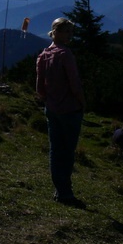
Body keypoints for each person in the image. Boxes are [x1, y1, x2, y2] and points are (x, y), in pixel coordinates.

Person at [36, 18, 85, 208]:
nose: (69, 36)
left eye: (70, 32)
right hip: (70, 109)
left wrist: (49, 100)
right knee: (67, 152)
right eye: (66, 31)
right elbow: (75, 83)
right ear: (55, 31)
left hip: (52, 108)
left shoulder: (43, 55)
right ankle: (65, 192)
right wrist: (82, 102)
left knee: (55, 150)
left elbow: (39, 88)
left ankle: (60, 190)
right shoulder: (65, 54)